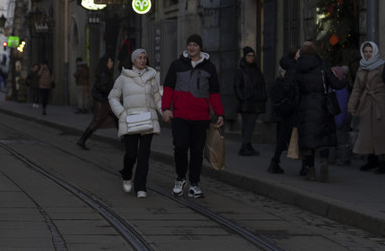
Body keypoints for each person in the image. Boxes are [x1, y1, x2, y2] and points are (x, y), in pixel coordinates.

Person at [161, 34, 224, 198]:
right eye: (189, 45)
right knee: (180, 147)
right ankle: (180, 178)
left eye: (195, 45)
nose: (191, 48)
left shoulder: (209, 68)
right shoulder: (176, 65)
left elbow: (214, 93)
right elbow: (168, 88)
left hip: (201, 117)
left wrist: (219, 113)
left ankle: (194, 183)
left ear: (200, 47)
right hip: (180, 115)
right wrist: (166, 108)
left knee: (197, 151)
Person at [108, 49, 162, 198]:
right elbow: (112, 97)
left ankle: (140, 187)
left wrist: (165, 111)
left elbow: (157, 97)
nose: (142, 60)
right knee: (131, 154)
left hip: (148, 120)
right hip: (130, 120)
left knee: (144, 155)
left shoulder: (152, 77)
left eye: (145, 58)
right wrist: (121, 113)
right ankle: (126, 174)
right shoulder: (123, 77)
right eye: (139, 58)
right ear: (133, 60)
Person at [294, 41, 347, 181]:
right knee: (323, 138)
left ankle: (311, 171)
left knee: (308, 139)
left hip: (305, 107)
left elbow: (294, 89)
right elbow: (336, 83)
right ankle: (324, 161)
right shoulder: (322, 65)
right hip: (322, 106)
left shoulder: (297, 67)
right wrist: (345, 80)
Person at [348, 41, 385, 174]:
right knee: (367, 134)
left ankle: (383, 162)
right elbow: (357, 89)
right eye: (365, 52)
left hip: (381, 103)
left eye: (370, 51)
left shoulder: (382, 66)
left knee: (383, 133)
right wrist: (351, 106)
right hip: (366, 104)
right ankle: (371, 159)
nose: (368, 54)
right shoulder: (361, 68)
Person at [76, 54, 116, 150]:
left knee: (117, 118)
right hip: (102, 101)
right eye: (110, 62)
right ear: (106, 64)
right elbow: (103, 88)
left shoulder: (105, 73)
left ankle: (125, 140)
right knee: (97, 121)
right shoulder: (104, 75)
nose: (112, 63)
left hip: (104, 101)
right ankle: (82, 139)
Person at [267, 54, 298, 174]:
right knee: (283, 137)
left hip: (287, 113)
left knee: (284, 137)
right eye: (283, 71)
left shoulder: (290, 80)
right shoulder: (280, 82)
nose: (284, 73)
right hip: (285, 114)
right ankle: (275, 161)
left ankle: (275, 161)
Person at [234, 46, 267, 156]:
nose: (251, 58)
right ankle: (245, 146)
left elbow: (262, 84)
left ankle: (246, 145)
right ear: (245, 56)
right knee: (246, 124)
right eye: (249, 55)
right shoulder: (240, 71)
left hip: (256, 102)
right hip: (245, 102)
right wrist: (242, 97)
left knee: (250, 124)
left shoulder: (257, 70)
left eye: (253, 55)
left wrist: (263, 97)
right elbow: (237, 86)